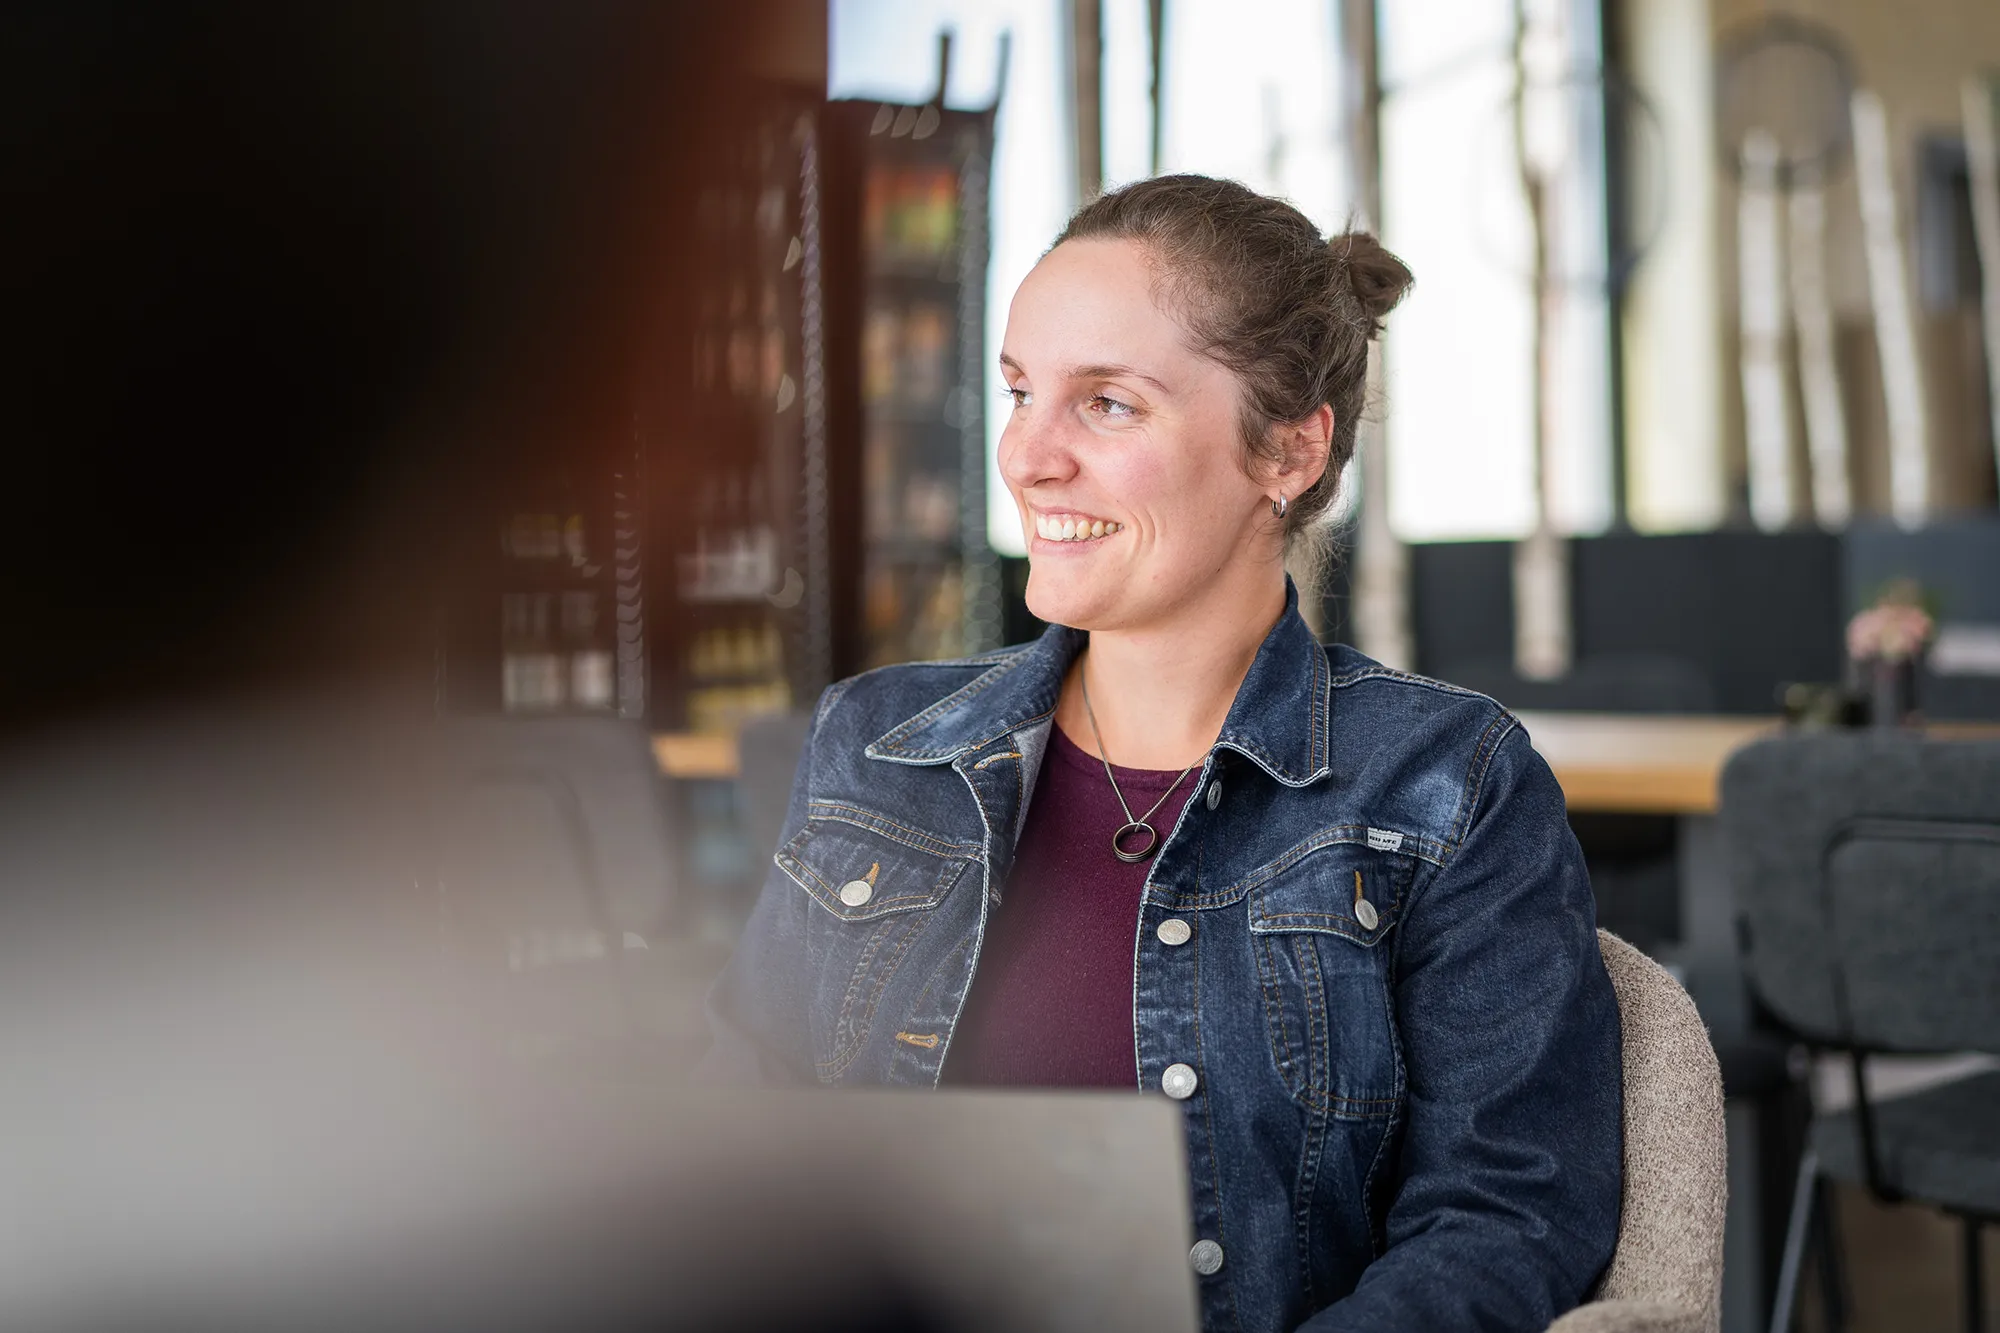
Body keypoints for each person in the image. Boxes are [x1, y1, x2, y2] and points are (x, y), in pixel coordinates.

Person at [702, 174, 1622, 1333]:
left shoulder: (1448, 785)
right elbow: (742, 1126)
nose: (1028, 457)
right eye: (1020, 391)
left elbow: (1506, 1219)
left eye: (1108, 405)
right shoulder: (876, 744)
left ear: (1286, 450)